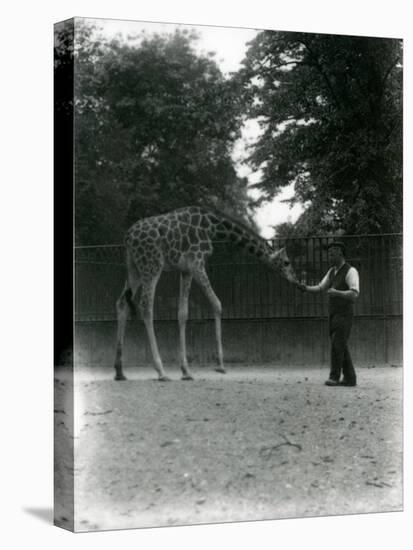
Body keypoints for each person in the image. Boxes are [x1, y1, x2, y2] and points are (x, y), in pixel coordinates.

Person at [296, 241, 359, 387]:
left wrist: (337, 292)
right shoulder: (332, 271)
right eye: (329, 252)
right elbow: (320, 287)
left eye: (332, 252)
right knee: (340, 345)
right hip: (333, 313)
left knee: (338, 344)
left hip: (345, 313)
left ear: (340, 253)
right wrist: (304, 288)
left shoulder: (351, 271)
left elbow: (354, 293)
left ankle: (334, 377)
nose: (329, 254)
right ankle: (350, 378)